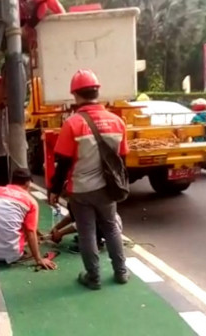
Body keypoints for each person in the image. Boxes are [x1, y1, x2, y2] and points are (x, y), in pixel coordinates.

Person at [48, 69, 129, 290]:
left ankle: (93, 277)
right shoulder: (117, 122)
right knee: (111, 227)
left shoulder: (72, 124)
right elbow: (121, 158)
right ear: (97, 91)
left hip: (81, 190)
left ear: (75, 95)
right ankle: (121, 272)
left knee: (87, 232)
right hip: (107, 188)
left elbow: (63, 163)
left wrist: (54, 190)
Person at [0, 168, 57, 270]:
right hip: (11, 255)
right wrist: (39, 259)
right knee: (21, 220)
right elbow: (30, 231)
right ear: (28, 183)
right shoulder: (31, 201)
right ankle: (14, 247)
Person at [50, 203, 123, 253]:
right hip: (109, 226)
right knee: (87, 222)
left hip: (111, 230)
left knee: (87, 225)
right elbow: (70, 217)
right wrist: (56, 228)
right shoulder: (81, 202)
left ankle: (95, 244)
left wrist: (60, 233)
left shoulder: (85, 206)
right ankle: (93, 239)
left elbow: (79, 225)